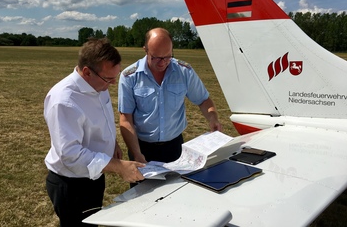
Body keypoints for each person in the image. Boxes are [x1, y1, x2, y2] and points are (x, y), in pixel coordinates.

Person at [44, 38, 145, 227]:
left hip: (94, 176)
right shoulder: (64, 101)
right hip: (72, 184)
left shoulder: (98, 85)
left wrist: (112, 142)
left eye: (115, 77)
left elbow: (102, 119)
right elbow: (70, 155)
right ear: (87, 72)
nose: (113, 83)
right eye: (109, 78)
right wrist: (118, 166)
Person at [118, 27, 222, 165]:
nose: (162, 63)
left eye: (167, 57)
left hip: (175, 147)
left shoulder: (183, 72)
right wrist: (137, 154)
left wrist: (212, 118)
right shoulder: (130, 77)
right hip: (142, 148)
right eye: (155, 57)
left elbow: (203, 100)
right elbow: (125, 119)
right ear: (145, 50)